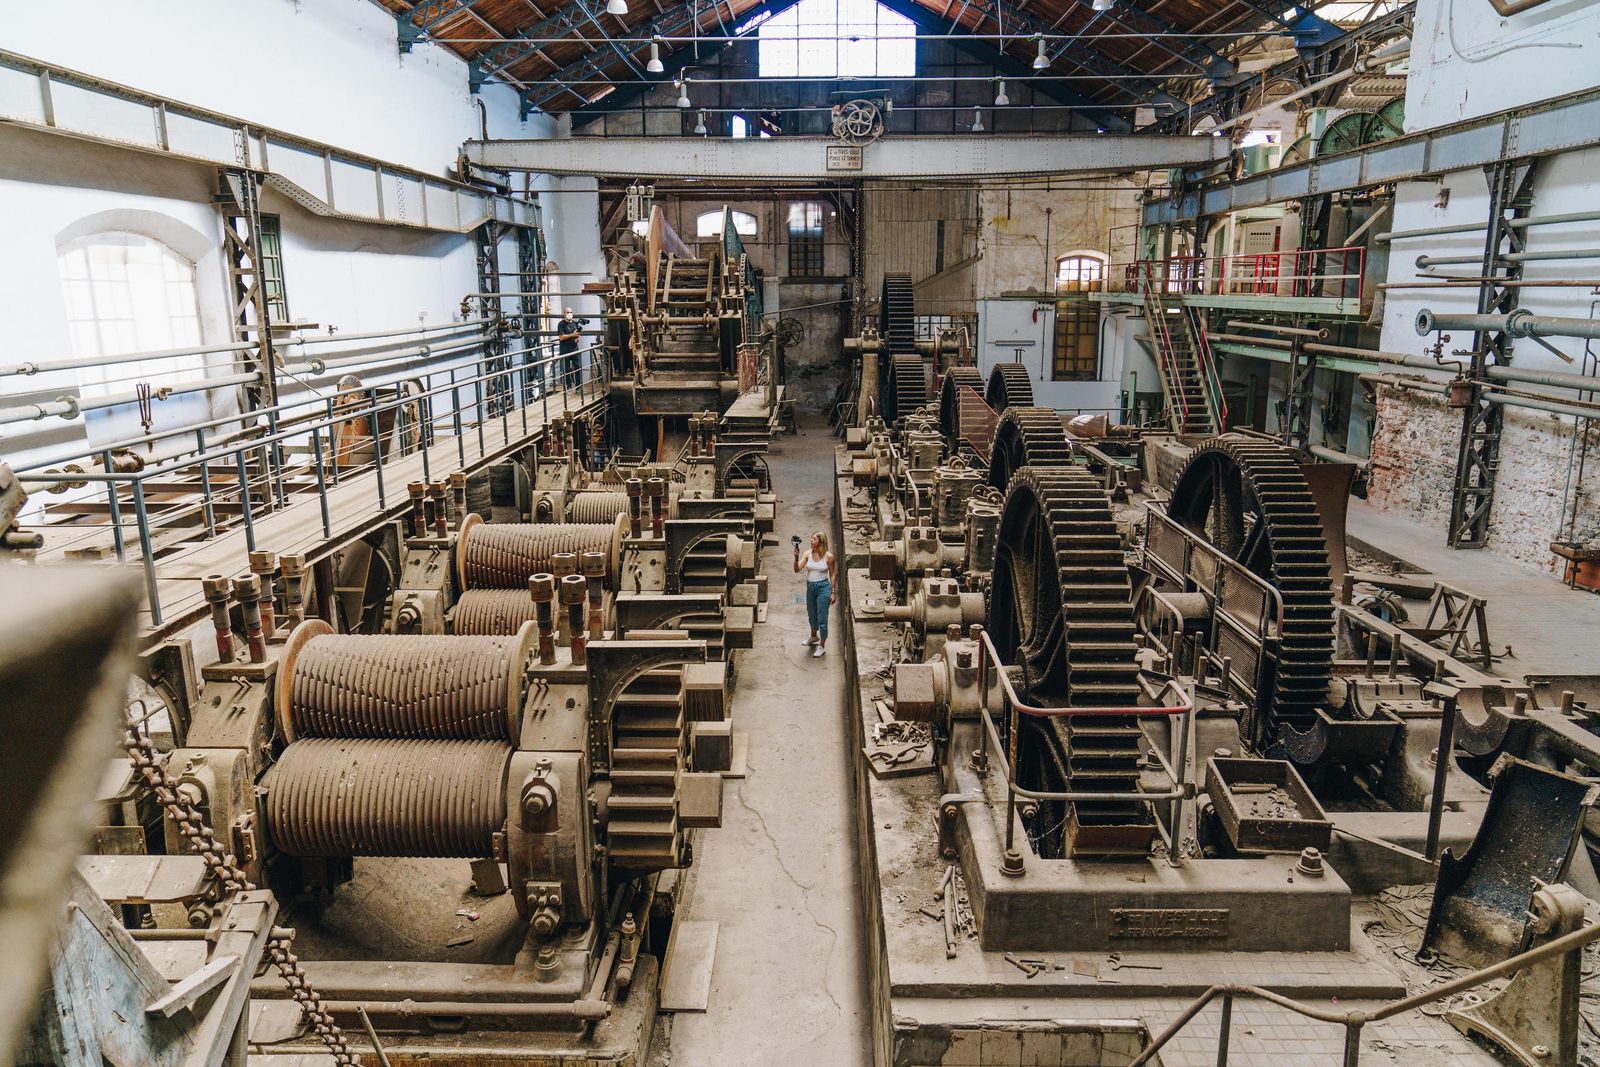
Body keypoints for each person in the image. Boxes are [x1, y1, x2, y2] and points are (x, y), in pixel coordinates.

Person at [794, 531, 836, 659]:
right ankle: (813, 636)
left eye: (814, 539)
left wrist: (833, 592)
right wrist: (796, 558)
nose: (811, 541)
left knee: (822, 617)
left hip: (823, 587)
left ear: (820, 541)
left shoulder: (828, 556)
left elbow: (832, 574)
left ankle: (822, 645)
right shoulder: (807, 554)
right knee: (811, 613)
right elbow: (796, 569)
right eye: (811, 538)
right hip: (811, 587)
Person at [557, 307, 582, 388]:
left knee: (578, 367)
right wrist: (572, 335)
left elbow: (577, 335)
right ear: (564, 314)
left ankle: (578, 387)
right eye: (567, 312)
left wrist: (577, 338)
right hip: (565, 350)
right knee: (567, 369)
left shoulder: (575, 323)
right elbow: (561, 337)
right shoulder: (561, 324)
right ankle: (569, 386)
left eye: (571, 312)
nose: (569, 314)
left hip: (574, 349)